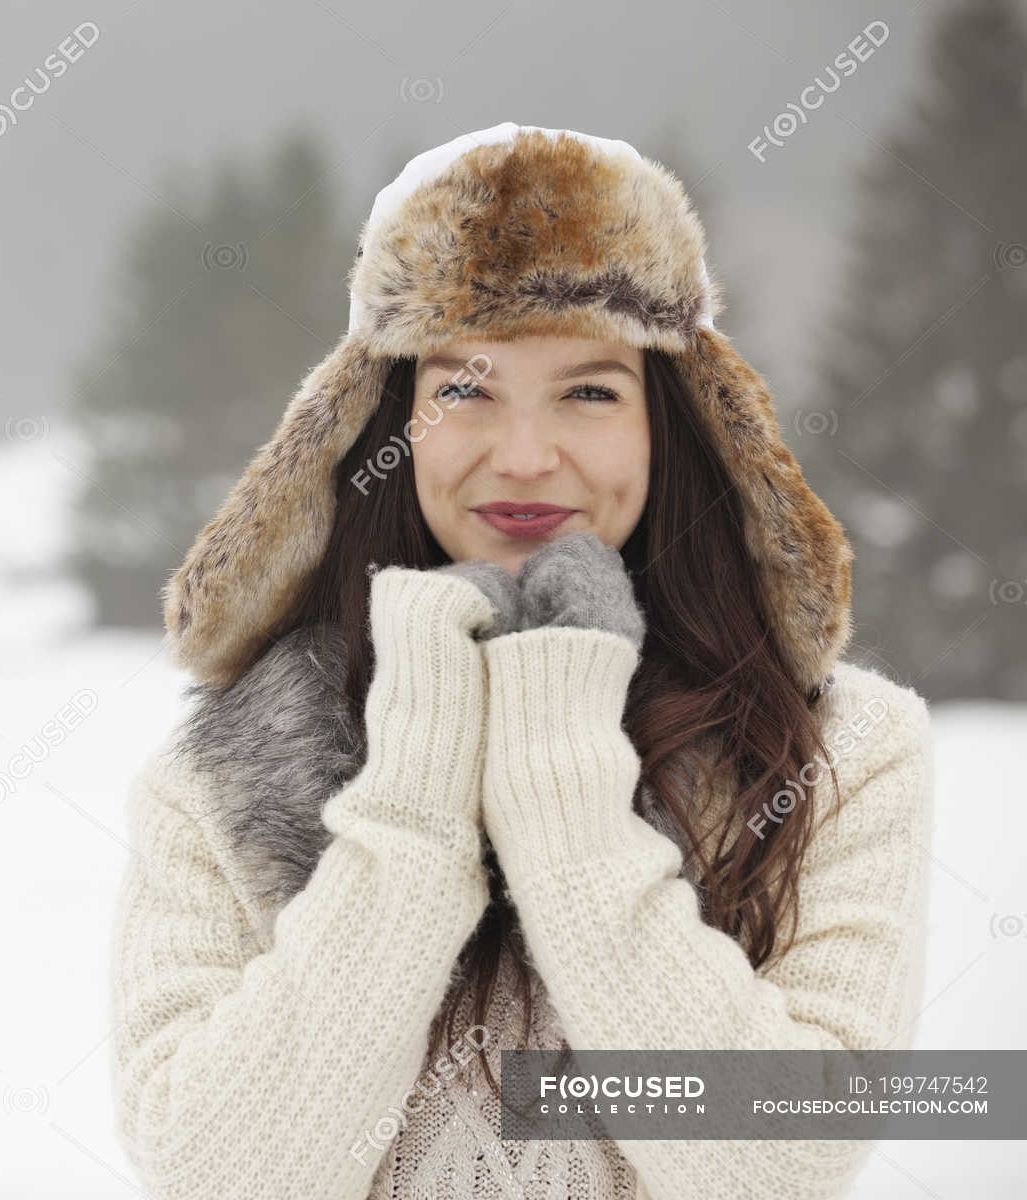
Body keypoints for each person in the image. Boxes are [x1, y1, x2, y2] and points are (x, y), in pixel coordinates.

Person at [105, 123, 934, 1199]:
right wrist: (409, 806)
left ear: (671, 427)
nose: (527, 454)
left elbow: (780, 1158)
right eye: (465, 388)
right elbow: (214, 1173)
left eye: (590, 392)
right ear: (385, 422)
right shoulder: (228, 772)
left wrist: (564, 798)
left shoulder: (839, 756)